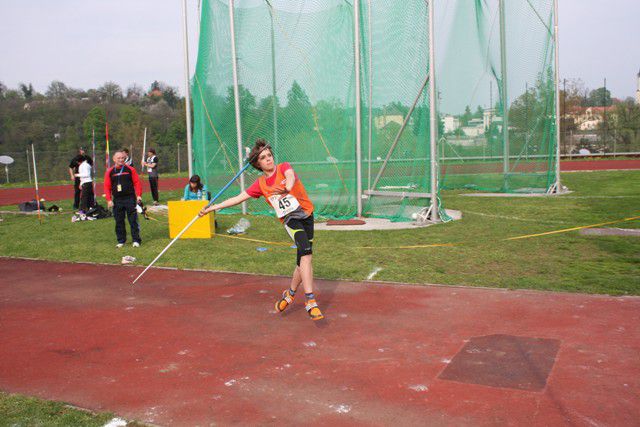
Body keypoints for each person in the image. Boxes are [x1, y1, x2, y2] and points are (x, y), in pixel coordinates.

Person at [199, 139, 323, 321]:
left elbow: (290, 176)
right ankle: (310, 301)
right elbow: (238, 198)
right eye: (263, 158)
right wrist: (211, 208)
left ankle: (289, 294)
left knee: (302, 260)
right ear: (258, 164)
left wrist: (287, 187)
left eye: (269, 156)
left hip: (306, 214)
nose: (268, 159)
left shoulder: (283, 167)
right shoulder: (260, 184)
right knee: (306, 254)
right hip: (291, 219)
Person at [104, 150, 143, 248]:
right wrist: (109, 200)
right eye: (119, 158)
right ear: (114, 159)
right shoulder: (110, 172)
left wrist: (138, 195)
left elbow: (137, 183)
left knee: (133, 220)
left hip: (130, 198)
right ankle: (121, 240)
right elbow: (106, 186)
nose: (121, 160)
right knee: (119, 221)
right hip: (117, 200)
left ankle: (136, 240)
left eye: (122, 158)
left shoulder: (130, 169)